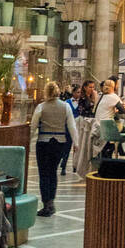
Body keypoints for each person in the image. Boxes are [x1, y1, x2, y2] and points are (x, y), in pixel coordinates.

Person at [31, 81, 78, 216]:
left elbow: (33, 126)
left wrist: (27, 141)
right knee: (53, 172)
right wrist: (76, 142)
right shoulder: (65, 107)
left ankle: (47, 203)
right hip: (60, 143)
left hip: (43, 142)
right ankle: (51, 202)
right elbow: (71, 126)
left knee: (44, 174)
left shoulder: (41, 107)